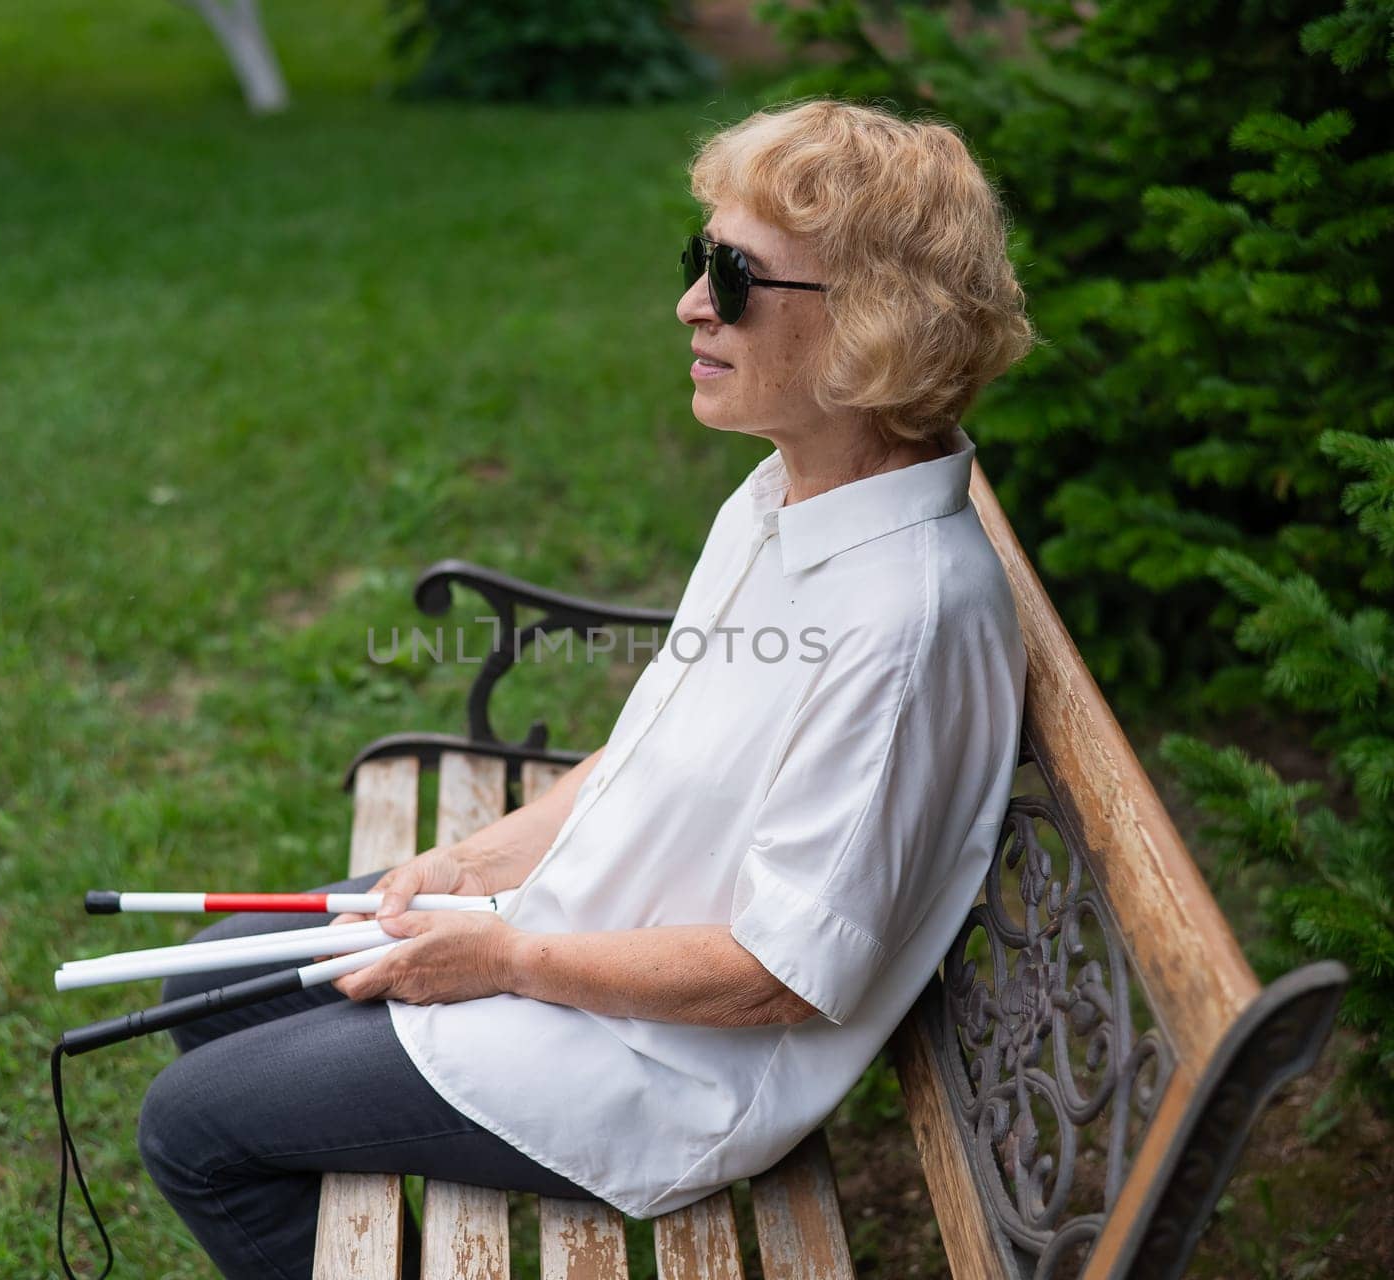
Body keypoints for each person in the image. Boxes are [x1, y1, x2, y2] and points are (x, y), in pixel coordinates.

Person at [136, 97, 1034, 1280]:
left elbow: (777, 976)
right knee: (209, 974)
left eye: (736, 275)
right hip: (587, 930)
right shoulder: (785, 494)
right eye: (697, 259)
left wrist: (502, 960)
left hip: (660, 1066)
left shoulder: (903, 620)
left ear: (877, 322)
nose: (691, 303)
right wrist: (470, 868)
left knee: (190, 1123)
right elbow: (652, 745)